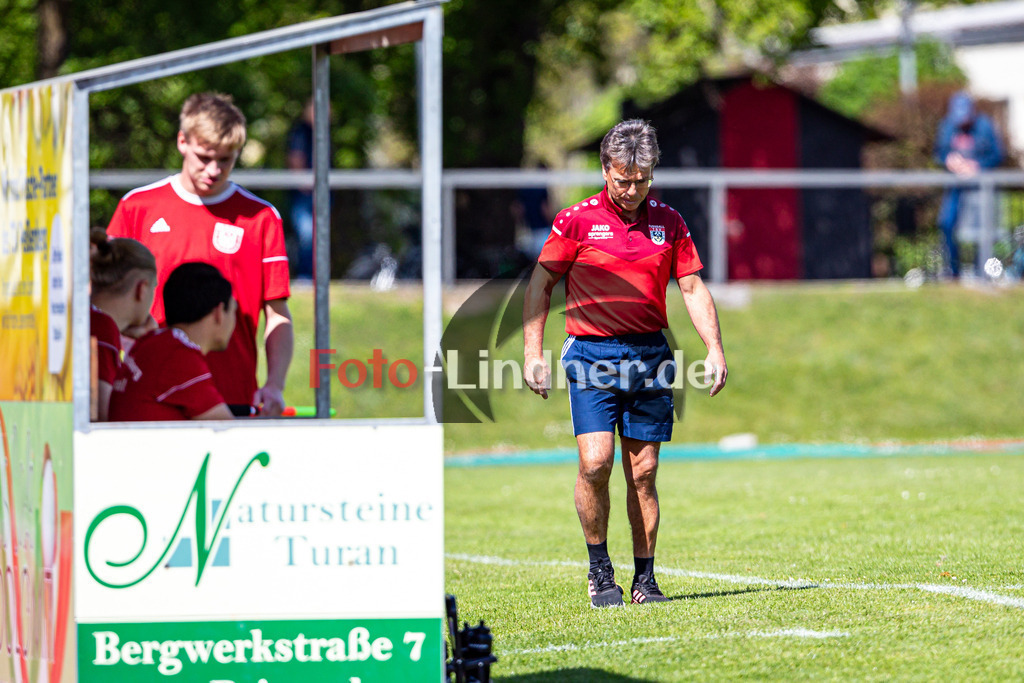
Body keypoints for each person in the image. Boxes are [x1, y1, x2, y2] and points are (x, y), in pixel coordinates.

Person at [522, 119, 727, 608]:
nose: (633, 190)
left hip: (650, 357)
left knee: (644, 472)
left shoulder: (669, 222)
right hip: (591, 354)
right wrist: (532, 352)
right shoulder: (575, 221)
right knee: (596, 463)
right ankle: (600, 571)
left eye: (642, 180)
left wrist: (714, 347)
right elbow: (540, 284)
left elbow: (692, 286)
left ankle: (645, 581)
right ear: (604, 170)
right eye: (623, 180)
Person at [106, 92, 294, 416]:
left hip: (232, 392)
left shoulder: (261, 217)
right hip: (152, 393)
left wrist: (275, 384)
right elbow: (105, 302)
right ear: (182, 141)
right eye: (204, 157)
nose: (213, 170)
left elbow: (277, 314)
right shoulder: (137, 208)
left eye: (226, 160)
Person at [109, 262, 237, 422]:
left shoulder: (154, 342)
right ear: (219, 313)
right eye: (234, 311)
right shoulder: (179, 357)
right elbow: (228, 430)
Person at [89, 228, 157, 421]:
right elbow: (103, 415)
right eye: (154, 287)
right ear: (142, 289)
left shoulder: (90, 319)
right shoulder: (101, 328)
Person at [934, 91, 1003, 278]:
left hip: (980, 188)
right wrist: (949, 160)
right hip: (955, 186)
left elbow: (997, 155)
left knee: (981, 230)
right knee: (947, 224)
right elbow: (939, 153)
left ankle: (981, 272)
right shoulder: (947, 125)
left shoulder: (985, 125)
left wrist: (977, 165)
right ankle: (953, 271)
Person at [286, 98, 316, 279]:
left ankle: (311, 274)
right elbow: (295, 157)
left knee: (315, 236)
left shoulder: (319, 132)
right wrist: (304, 183)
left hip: (316, 193)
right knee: (307, 236)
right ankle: (305, 276)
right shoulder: (301, 131)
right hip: (305, 194)